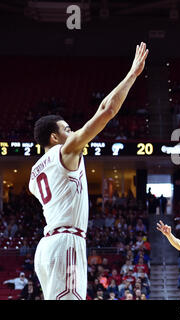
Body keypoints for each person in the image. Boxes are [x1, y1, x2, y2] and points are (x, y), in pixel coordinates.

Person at [28, 42, 149, 300]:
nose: (73, 133)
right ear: (54, 137)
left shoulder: (33, 175)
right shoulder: (65, 151)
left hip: (47, 246)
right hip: (66, 243)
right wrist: (132, 75)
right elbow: (106, 111)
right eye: (67, 129)